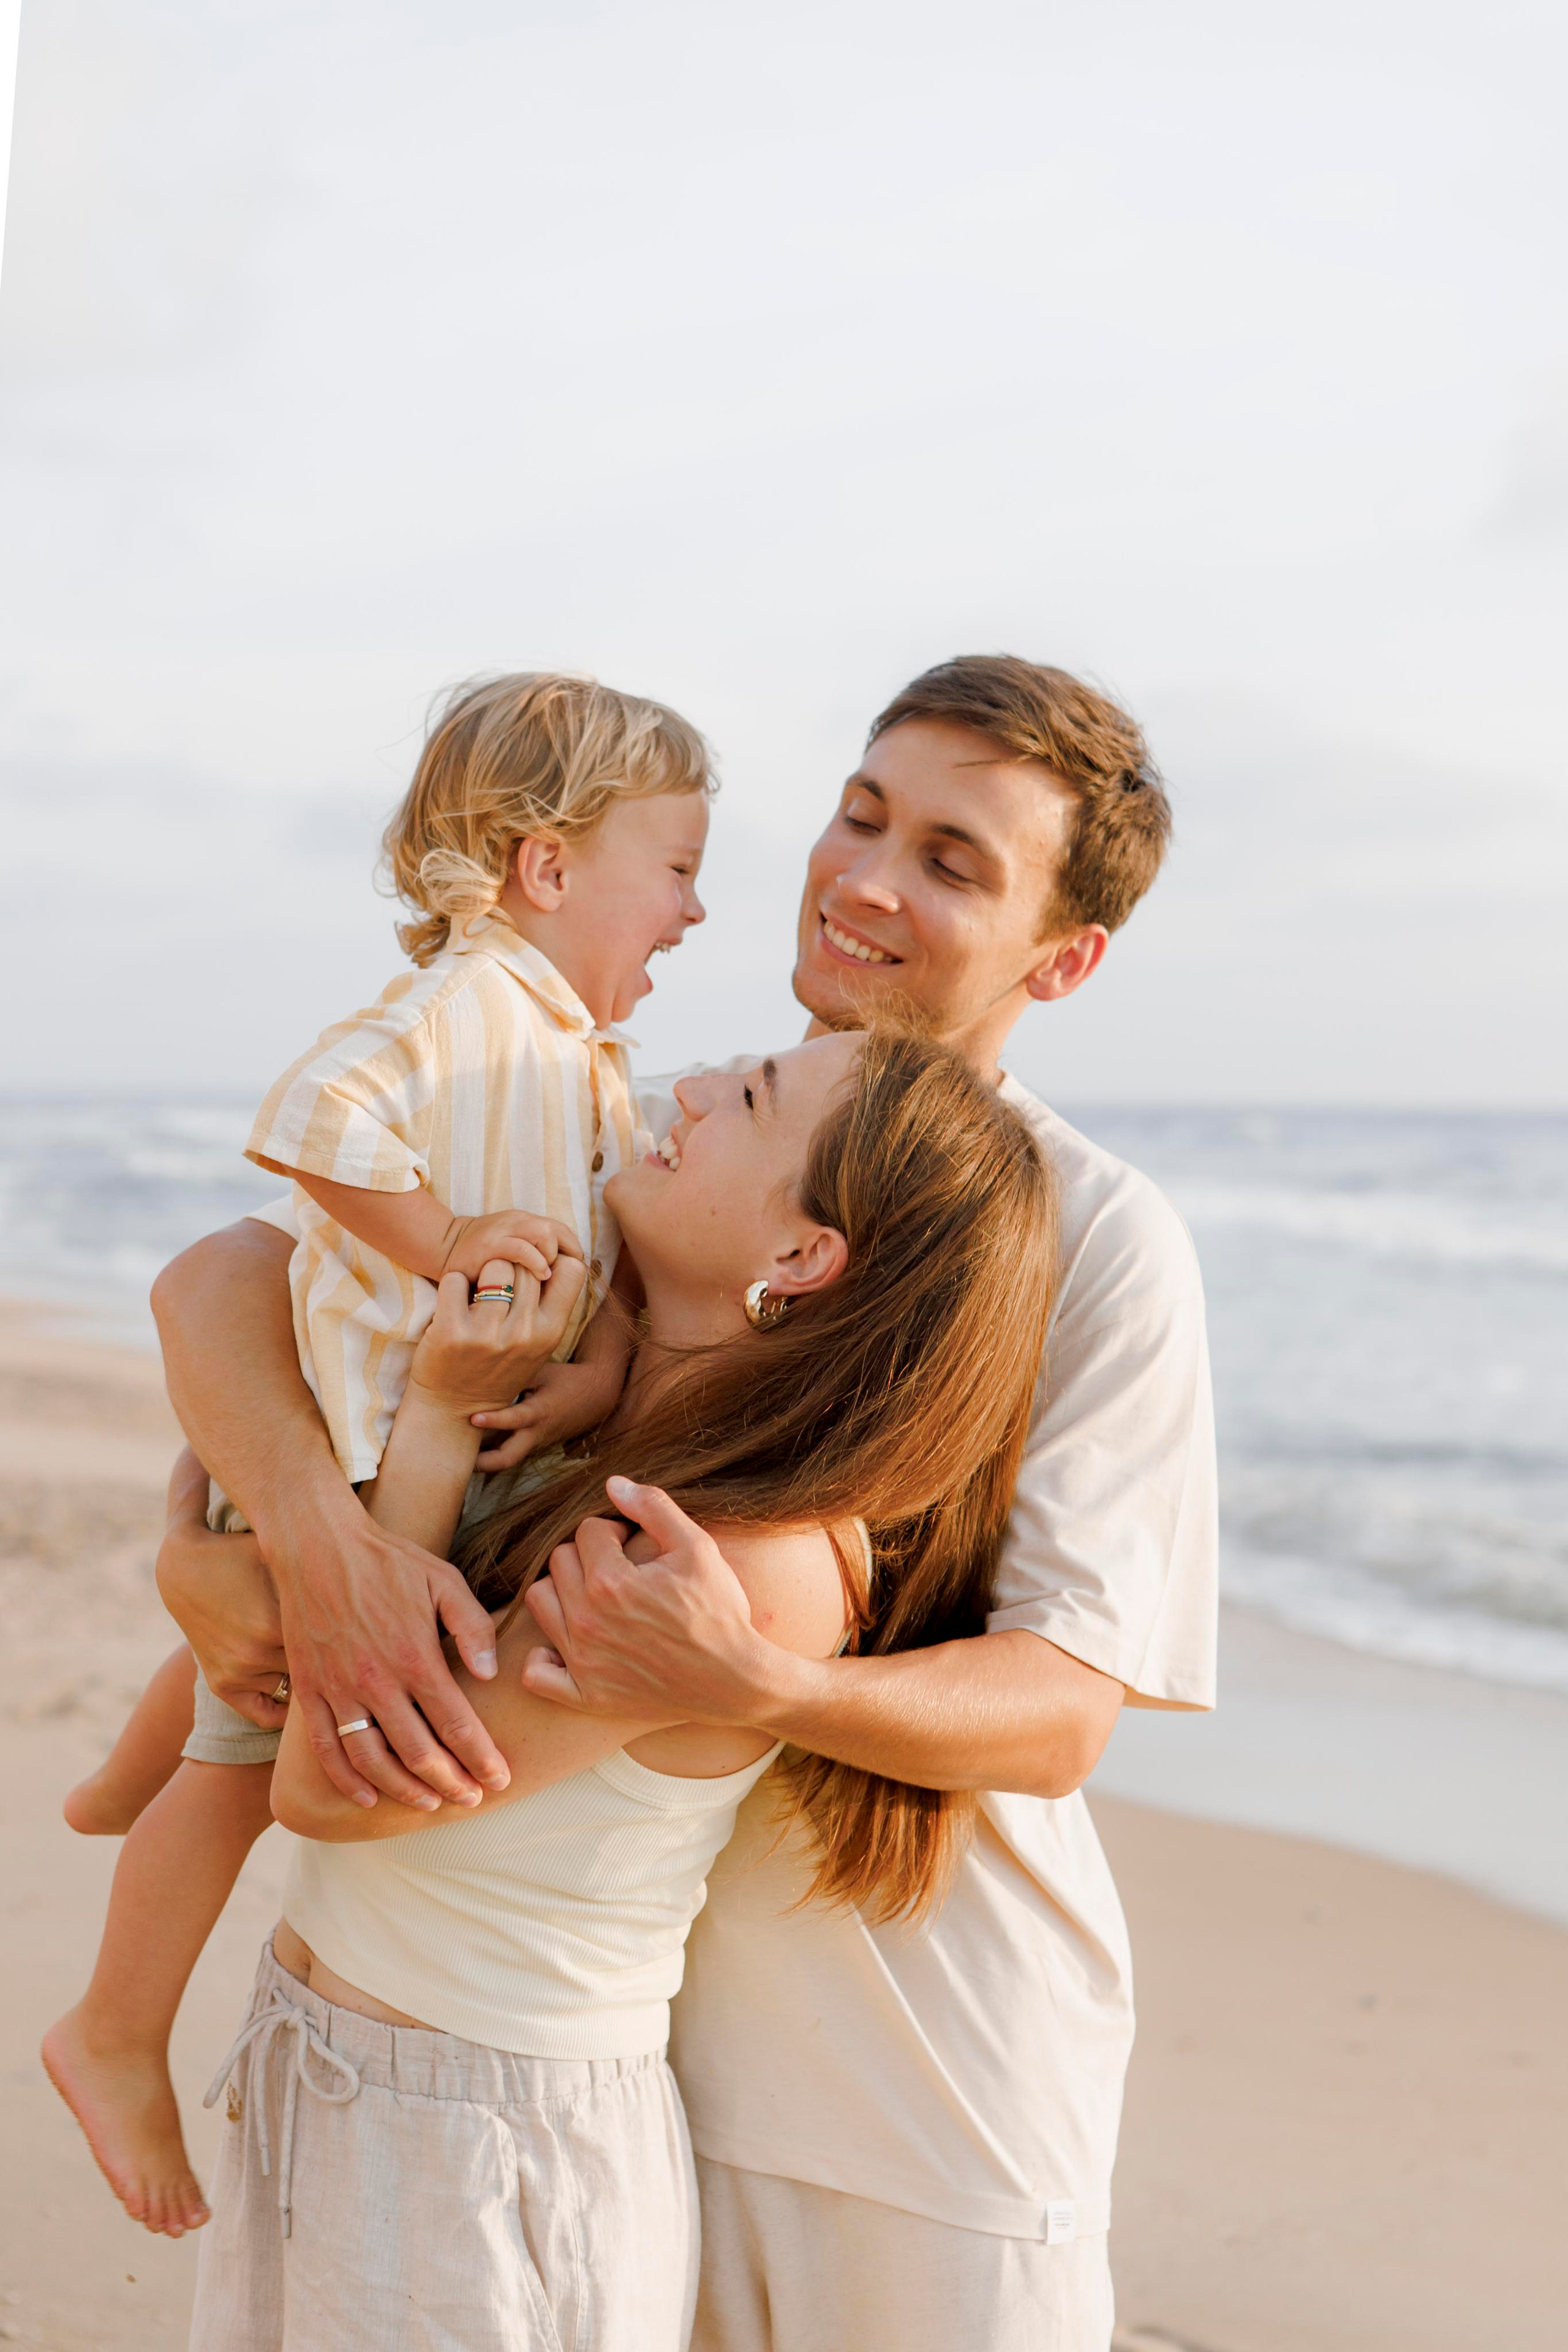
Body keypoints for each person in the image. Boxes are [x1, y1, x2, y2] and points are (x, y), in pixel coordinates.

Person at [153, 654, 1218, 2350]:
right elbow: (238, 1282)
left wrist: (756, 1683)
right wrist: (297, 1543)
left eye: (950, 861)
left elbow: (1060, 1713)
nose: (865, 880)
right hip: (604, 2023)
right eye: (860, 816)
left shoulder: (1092, 1235)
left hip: (911, 2068)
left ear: (1063, 954)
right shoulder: (663, 1141)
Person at [186, 1022, 1055, 2350]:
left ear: (800, 1258)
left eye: (749, 1095)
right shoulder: (619, 1436)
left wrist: (437, 1419)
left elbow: (327, 1786)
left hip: (474, 2155)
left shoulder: (726, 1560)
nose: (689, 1091)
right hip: (354, 2083)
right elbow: (219, 1275)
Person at [42, 669, 712, 2238]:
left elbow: (606, 1240)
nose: (694, 911)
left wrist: (604, 1356)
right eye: (677, 868)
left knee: (240, 1680)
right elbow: (313, 1116)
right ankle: (113, 2033)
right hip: (354, 1445)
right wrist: (443, 1242)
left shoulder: (575, 1044)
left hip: (431, 1441)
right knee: (242, 1760)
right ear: (547, 867)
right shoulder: (471, 1007)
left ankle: (121, 1777)